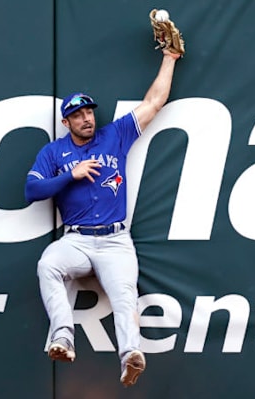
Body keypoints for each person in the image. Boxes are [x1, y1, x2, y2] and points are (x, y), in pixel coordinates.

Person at [25, 48, 180, 387]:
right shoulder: (54, 153)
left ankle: (131, 357)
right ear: (66, 122)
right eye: (78, 115)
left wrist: (169, 58)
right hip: (77, 238)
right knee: (48, 265)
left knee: (125, 295)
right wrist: (70, 175)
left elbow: (153, 102)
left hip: (115, 239)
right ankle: (63, 338)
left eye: (89, 112)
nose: (87, 118)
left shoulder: (114, 135)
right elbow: (31, 191)